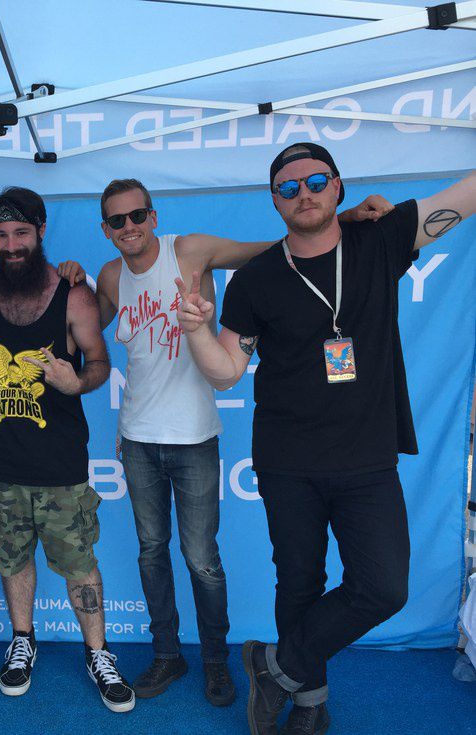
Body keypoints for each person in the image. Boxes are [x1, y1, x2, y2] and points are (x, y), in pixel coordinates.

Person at [175, 143, 475, 735]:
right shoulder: (257, 278)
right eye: (288, 188)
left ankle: (273, 664)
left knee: (383, 587)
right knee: (299, 582)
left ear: (338, 186)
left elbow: (460, 199)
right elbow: (226, 372)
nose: (304, 194)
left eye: (315, 181)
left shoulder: (381, 239)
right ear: (275, 202)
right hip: (287, 460)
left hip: (367, 459)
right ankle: (308, 702)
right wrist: (196, 330)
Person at [94, 179, 391, 707]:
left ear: (154, 216)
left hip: (193, 438)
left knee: (202, 559)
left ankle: (216, 661)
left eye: (137, 215)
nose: (129, 227)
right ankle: (167, 654)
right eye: (117, 221)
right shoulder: (111, 277)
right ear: (106, 229)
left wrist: (338, 221)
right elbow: (82, 319)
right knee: (150, 553)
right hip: (136, 438)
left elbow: (272, 249)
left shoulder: (190, 250)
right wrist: (68, 274)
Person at [0, 187, 133, 712]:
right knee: (12, 557)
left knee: (79, 562)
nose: (11, 245)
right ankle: (22, 640)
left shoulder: (74, 294)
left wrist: (76, 383)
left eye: (21, 233)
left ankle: (98, 653)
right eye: (1, 235)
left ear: (41, 231)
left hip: (61, 464)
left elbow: (100, 363)